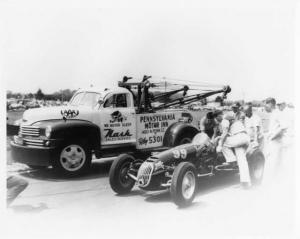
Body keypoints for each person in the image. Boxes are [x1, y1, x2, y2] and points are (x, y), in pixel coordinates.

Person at [217, 112, 251, 188]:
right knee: (242, 161)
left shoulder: (224, 119)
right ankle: (245, 183)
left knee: (222, 142)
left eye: (216, 118)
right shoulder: (232, 119)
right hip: (245, 138)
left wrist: (219, 145)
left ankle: (231, 160)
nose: (216, 120)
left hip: (238, 138)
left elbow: (225, 134)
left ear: (219, 116)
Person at [263, 97, 288, 185]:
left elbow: (283, 127)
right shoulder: (273, 114)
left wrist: (273, 136)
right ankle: (271, 185)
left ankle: (272, 186)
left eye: (266, 104)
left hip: (276, 143)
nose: (265, 107)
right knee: (272, 164)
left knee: (274, 165)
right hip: (272, 143)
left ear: (270, 104)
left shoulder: (277, 113)